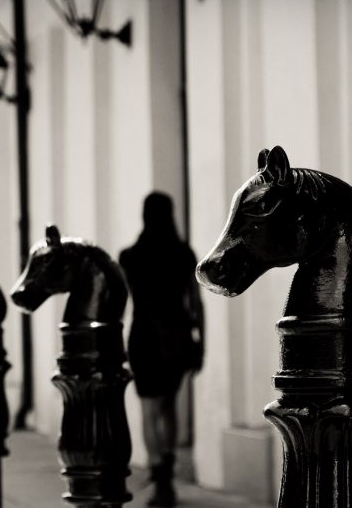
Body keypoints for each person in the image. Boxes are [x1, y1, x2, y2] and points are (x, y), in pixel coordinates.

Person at [119, 191, 204, 507]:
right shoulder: (183, 253)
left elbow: (122, 303)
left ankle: (159, 481)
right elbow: (196, 304)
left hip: (143, 337)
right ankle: (167, 480)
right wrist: (201, 345)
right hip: (178, 338)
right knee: (168, 407)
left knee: (149, 409)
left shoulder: (129, 256)